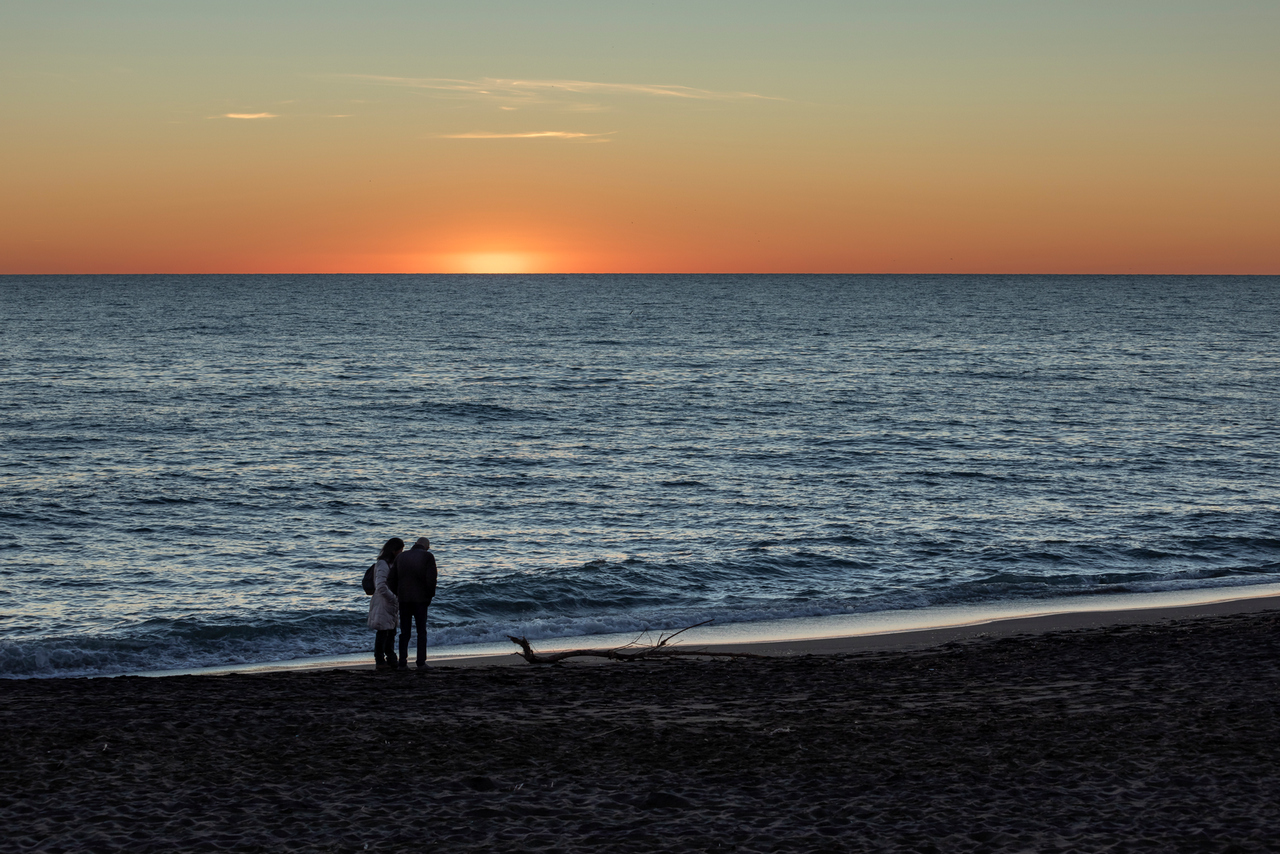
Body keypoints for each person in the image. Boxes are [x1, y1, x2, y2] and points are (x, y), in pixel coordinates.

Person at [387, 536, 437, 670]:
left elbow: (390, 580)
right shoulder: (428, 556)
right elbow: (431, 580)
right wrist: (429, 596)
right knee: (421, 631)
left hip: (404, 599)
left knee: (405, 632)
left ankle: (402, 662)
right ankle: (421, 662)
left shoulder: (401, 557)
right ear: (426, 546)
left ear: (415, 544)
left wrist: (398, 593)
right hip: (421, 600)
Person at [367, 538, 404, 670]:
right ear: (394, 551)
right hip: (384, 602)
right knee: (383, 632)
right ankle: (380, 659)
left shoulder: (391, 564)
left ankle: (391, 657)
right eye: (400, 550)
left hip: (390, 602)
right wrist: (394, 598)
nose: (401, 552)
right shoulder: (383, 564)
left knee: (391, 631)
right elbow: (381, 586)